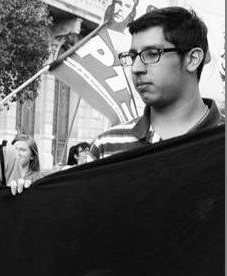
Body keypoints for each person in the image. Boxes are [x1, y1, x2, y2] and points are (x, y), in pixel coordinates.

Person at [89, 7, 224, 161]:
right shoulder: (106, 147)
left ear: (193, 59)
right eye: (133, 57)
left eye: (152, 54)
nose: (136, 68)